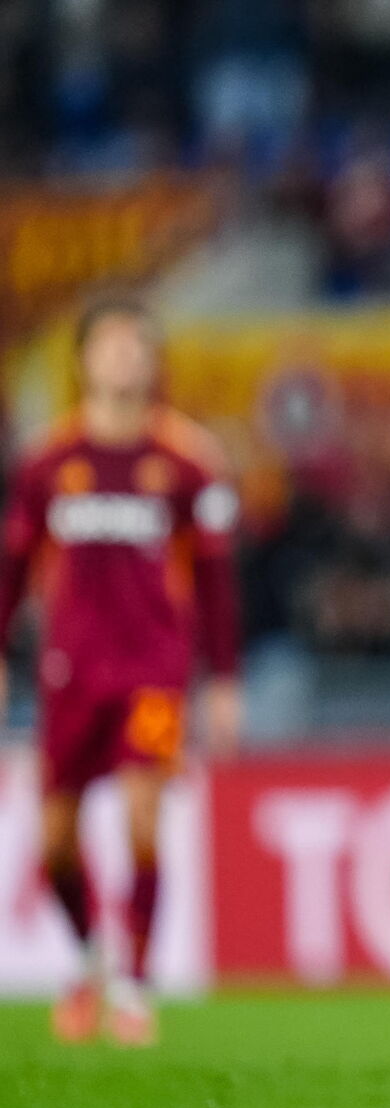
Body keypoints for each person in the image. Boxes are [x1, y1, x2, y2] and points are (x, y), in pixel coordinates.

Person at [0, 297, 242, 1046]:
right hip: (70, 673)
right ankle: (86, 959)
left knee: (143, 816)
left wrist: (224, 679)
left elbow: (216, 580)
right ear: (82, 360)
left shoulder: (188, 461)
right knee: (56, 842)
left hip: (153, 672)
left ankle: (134, 985)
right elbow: (13, 567)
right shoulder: (47, 462)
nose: (124, 358)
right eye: (110, 345)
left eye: (137, 346)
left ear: (153, 361)